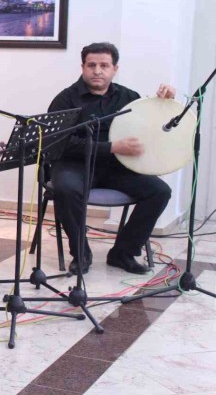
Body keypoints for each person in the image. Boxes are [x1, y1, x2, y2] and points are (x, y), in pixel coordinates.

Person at [48, 42, 173, 275]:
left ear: (115, 69)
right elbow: (60, 144)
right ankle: (81, 254)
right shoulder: (65, 99)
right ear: (83, 67)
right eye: (91, 65)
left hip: (118, 166)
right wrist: (111, 147)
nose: (97, 71)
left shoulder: (129, 97)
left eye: (104, 65)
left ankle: (123, 253)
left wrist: (165, 105)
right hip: (75, 164)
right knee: (65, 189)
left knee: (159, 191)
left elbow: (151, 129)